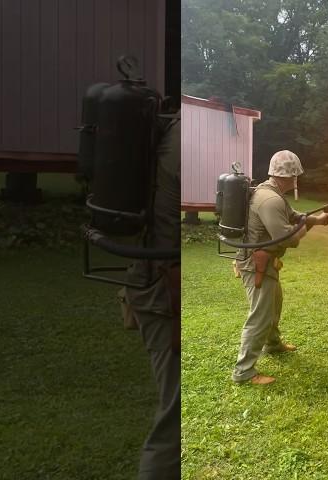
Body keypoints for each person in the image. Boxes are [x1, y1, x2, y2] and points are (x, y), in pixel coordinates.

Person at [232, 150, 328, 385]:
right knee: (260, 315)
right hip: (256, 264)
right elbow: (289, 238)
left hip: (264, 262)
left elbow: (293, 215)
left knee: (274, 303)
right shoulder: (270, 199)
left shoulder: (270, 193)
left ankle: (273, 344)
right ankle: (243, 372)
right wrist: (310, 228)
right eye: (295, 175)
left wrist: (316, 219)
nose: (297, 179)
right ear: (290, 176)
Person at [125, 112, 181, 479]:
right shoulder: (182, 141)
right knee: (173, 425)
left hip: (154, 284)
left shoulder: (173, 131)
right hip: (164, 294)